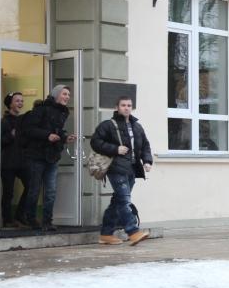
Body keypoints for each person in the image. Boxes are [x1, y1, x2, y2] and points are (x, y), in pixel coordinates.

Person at [90, 96, 153, 245]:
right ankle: (133, 231)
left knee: (117, 201)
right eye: (123, 105)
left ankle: (106, 234)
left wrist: (147, 161)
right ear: (117, 107)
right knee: (125, 200)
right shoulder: (108, 125)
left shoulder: (137, 126)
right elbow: (95, 142)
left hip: (132, 169)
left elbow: (145, 145)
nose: (126, 108)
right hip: (116, 168)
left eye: (129, 105)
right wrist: (115, 149)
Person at [20, 85, 76, 230]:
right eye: (64, 94)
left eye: (68, 95)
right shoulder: (40, 110)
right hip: (36, 156)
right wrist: (47, 136)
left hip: (52, 156)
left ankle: (47, 222)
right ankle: (31, 219)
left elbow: (57, 131)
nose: (67, 97)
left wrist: (64, 137)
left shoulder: (63, 112)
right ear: (56, 95)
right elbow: (29, 130)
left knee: (50, 191)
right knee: (34, 189)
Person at [0, 92, 30, 228]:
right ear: (10, 104)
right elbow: (0, 141)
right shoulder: (4, 121)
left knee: (31, 186)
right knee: (8, 192)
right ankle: (7, 220)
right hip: (8, 162)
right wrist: (11, 136)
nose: (20, 103)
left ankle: (20, 214)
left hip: (22, 161)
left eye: (21, 101)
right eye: (17, 101)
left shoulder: (24, 120)